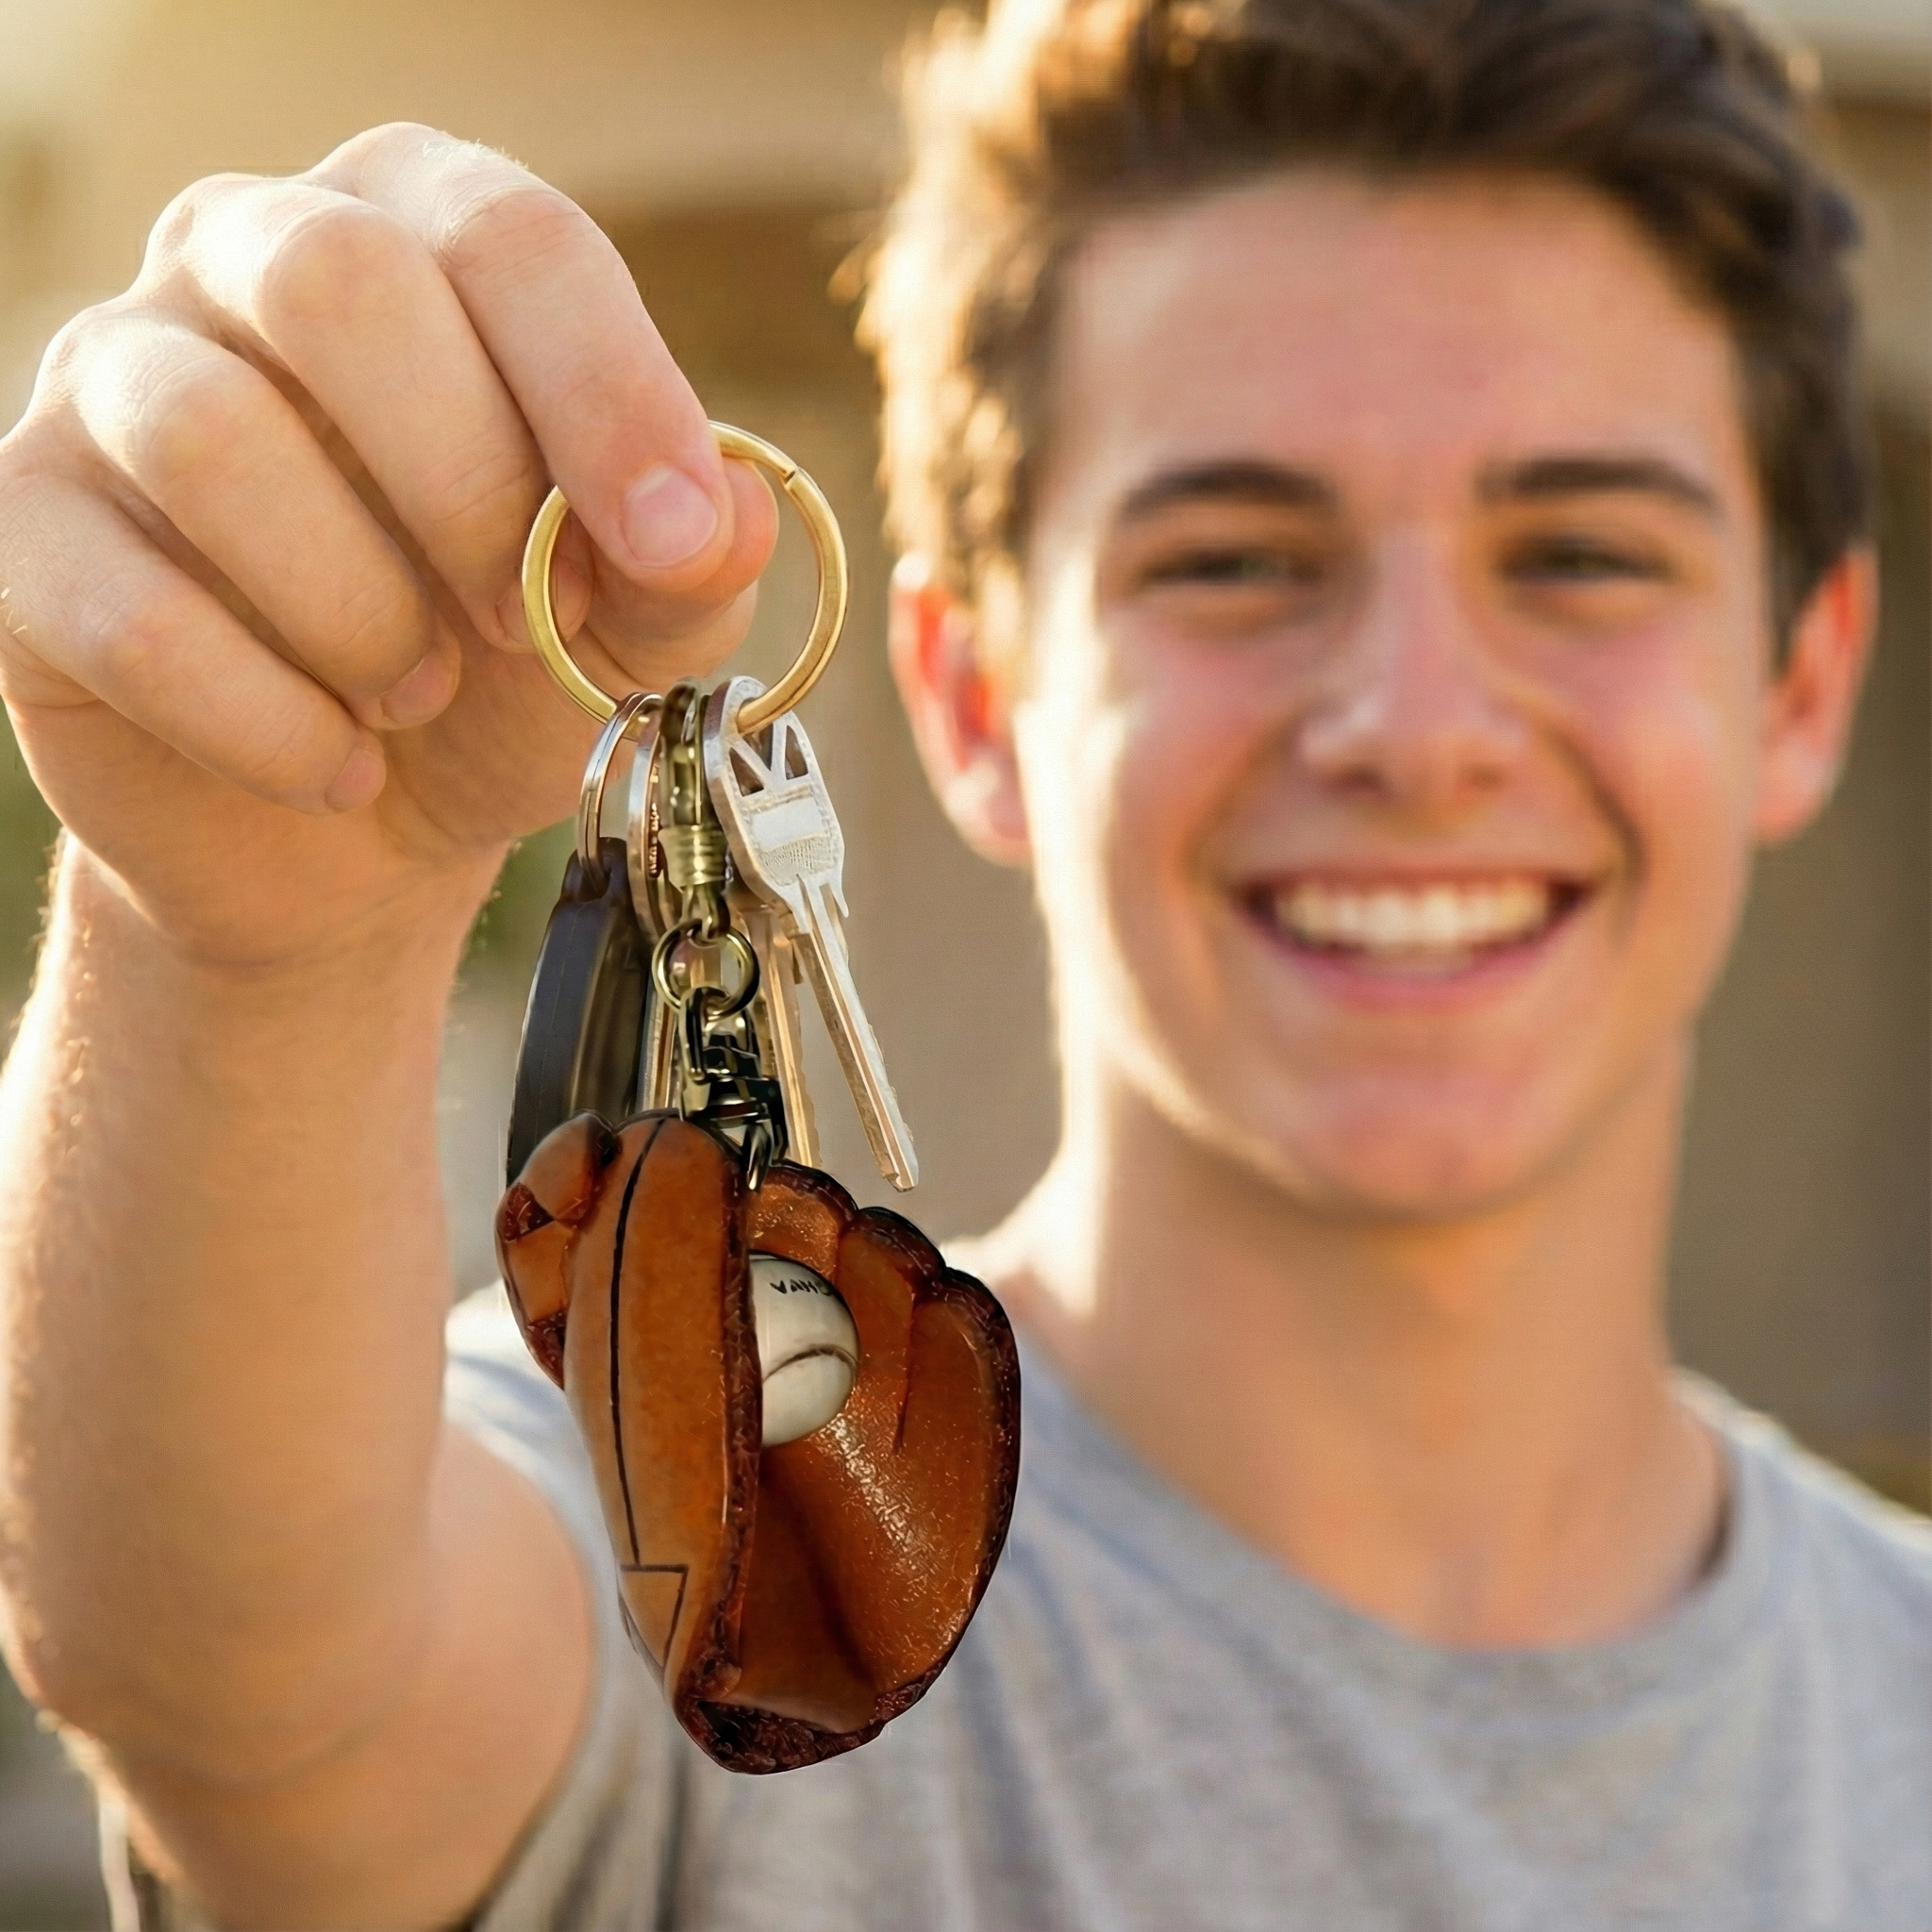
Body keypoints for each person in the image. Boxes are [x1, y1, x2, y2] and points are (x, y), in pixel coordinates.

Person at [0, 0, 1925, 1925]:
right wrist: (256, 947)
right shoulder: (710, 1509)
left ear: (1800, 677)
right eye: (1232, 559)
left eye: (1581, 555)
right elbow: (239, 1680)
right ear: (968, 689)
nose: (1415, 727)